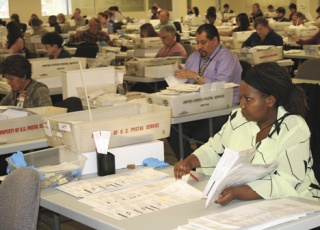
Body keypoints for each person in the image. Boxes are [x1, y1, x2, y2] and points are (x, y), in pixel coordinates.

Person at [174, 62, 320, 205]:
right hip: (249, 202)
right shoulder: (238, 118)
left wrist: (238, 192)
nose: (241, 104)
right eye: (241, 97)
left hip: (298, 202)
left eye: (248, 99)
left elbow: (286, 181)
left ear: (270, 100)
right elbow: (214, 149)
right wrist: (189, 162)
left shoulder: (293, 127)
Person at [168, 24, 242, 160]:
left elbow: (222, 87)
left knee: (202, 134)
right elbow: (188, 84)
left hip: (222, 108)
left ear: (214, 40)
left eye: (203, 43)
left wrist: (194, 75)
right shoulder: (194, 57)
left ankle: (202, 163)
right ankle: (188, 162)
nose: (198, 47)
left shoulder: (226, 58)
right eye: (197, 43)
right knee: (171, 126)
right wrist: (178, 76)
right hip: (197, 105)